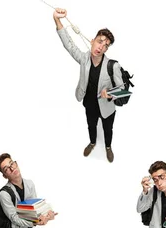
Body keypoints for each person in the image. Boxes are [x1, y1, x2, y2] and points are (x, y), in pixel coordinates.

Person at [53, 8, 123, 163]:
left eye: (106, 45)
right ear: (93, 41)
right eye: (100, 41)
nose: (101, 47)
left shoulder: (113, 66)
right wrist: (57, 20)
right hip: (89, 103)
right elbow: (69, 45)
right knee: (91, 126)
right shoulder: (84, 59)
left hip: (107, 107)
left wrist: (110, 93)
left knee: (107, 129)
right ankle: (92, 143)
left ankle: (108, 147)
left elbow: (123, 91)